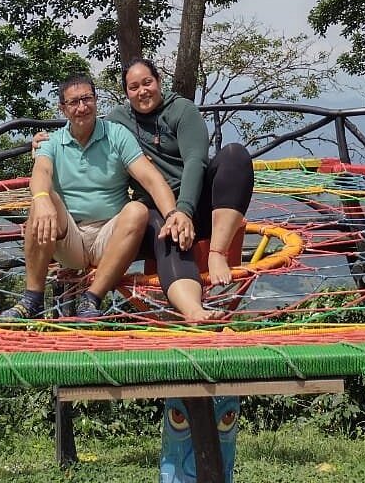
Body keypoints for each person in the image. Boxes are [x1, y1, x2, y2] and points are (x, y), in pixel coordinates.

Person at [3, 74, 189, 321]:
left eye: (87, 99)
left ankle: (92, 298)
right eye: (74, 102)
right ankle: (32, 298)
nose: (82, 107)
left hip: (110, 239)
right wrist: (40, 197)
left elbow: (151, 179)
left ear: (96, 100)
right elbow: (42, 171)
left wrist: (173, 214)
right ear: (63, 109)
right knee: (43, 201)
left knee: (137, 210)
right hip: (70, 237)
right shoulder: (52, 141)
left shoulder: (117, 135)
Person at [107, 57, 254, 321]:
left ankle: (217, 253)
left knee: (235, 155)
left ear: (159, 81)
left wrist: (184, 209)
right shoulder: (117, 121)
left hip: (197, 204)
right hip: (155, 210)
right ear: (126, 93)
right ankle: (194, 311)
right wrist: (46, 143)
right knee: (168, 231)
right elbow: (84, 136)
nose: (142, 91)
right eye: (133, 87)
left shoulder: (182, 110)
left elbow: (195, 161)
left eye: (147, 82)